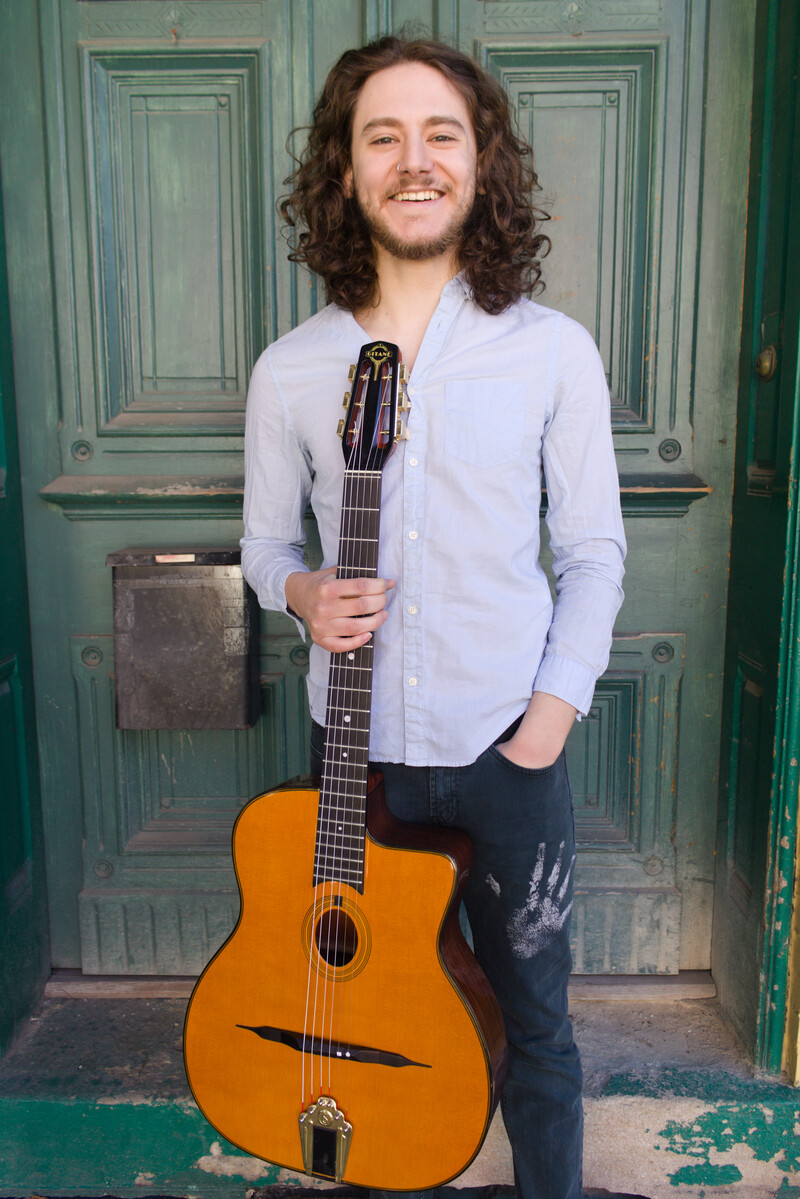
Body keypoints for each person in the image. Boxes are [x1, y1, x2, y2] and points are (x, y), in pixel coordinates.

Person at [241, 34, 625, 1199]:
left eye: (439, 134)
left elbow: (592, 551)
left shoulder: (550, 353)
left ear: (478, 160)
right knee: (357, 1010)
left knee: (534, 1026)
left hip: (506, 747)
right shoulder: (293, 368)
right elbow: (265, 546)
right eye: (382, 136)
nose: (414, 160)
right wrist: (301, 591)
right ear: (345, 170)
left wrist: (549, 716)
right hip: (355, 762)